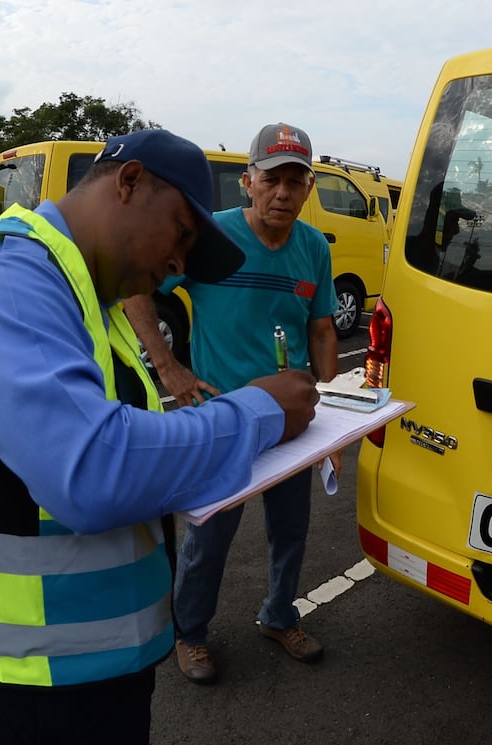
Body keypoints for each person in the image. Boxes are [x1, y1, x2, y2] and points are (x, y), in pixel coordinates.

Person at [0, 128, 320, 745]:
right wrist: (259, 412)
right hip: (41, 684)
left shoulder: (80, 294)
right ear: (128, 184)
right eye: (182, 233)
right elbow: (96, 470)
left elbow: (126, 434)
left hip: (88, 665)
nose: (180, 264)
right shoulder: (10, 286)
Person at [123, 122, 338, 685]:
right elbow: (135, 288)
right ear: (248, 181)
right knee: (210, 535)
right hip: (221, 420)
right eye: (272, 180)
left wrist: (334, 408)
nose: (283, 194)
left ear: (309, 188)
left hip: (291, 422)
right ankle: (190, 634)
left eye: (296, 181)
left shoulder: (313, 248)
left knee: (291, 529)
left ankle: (278, 615)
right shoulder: (209, 236)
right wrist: (169, 367)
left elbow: (320, 331)